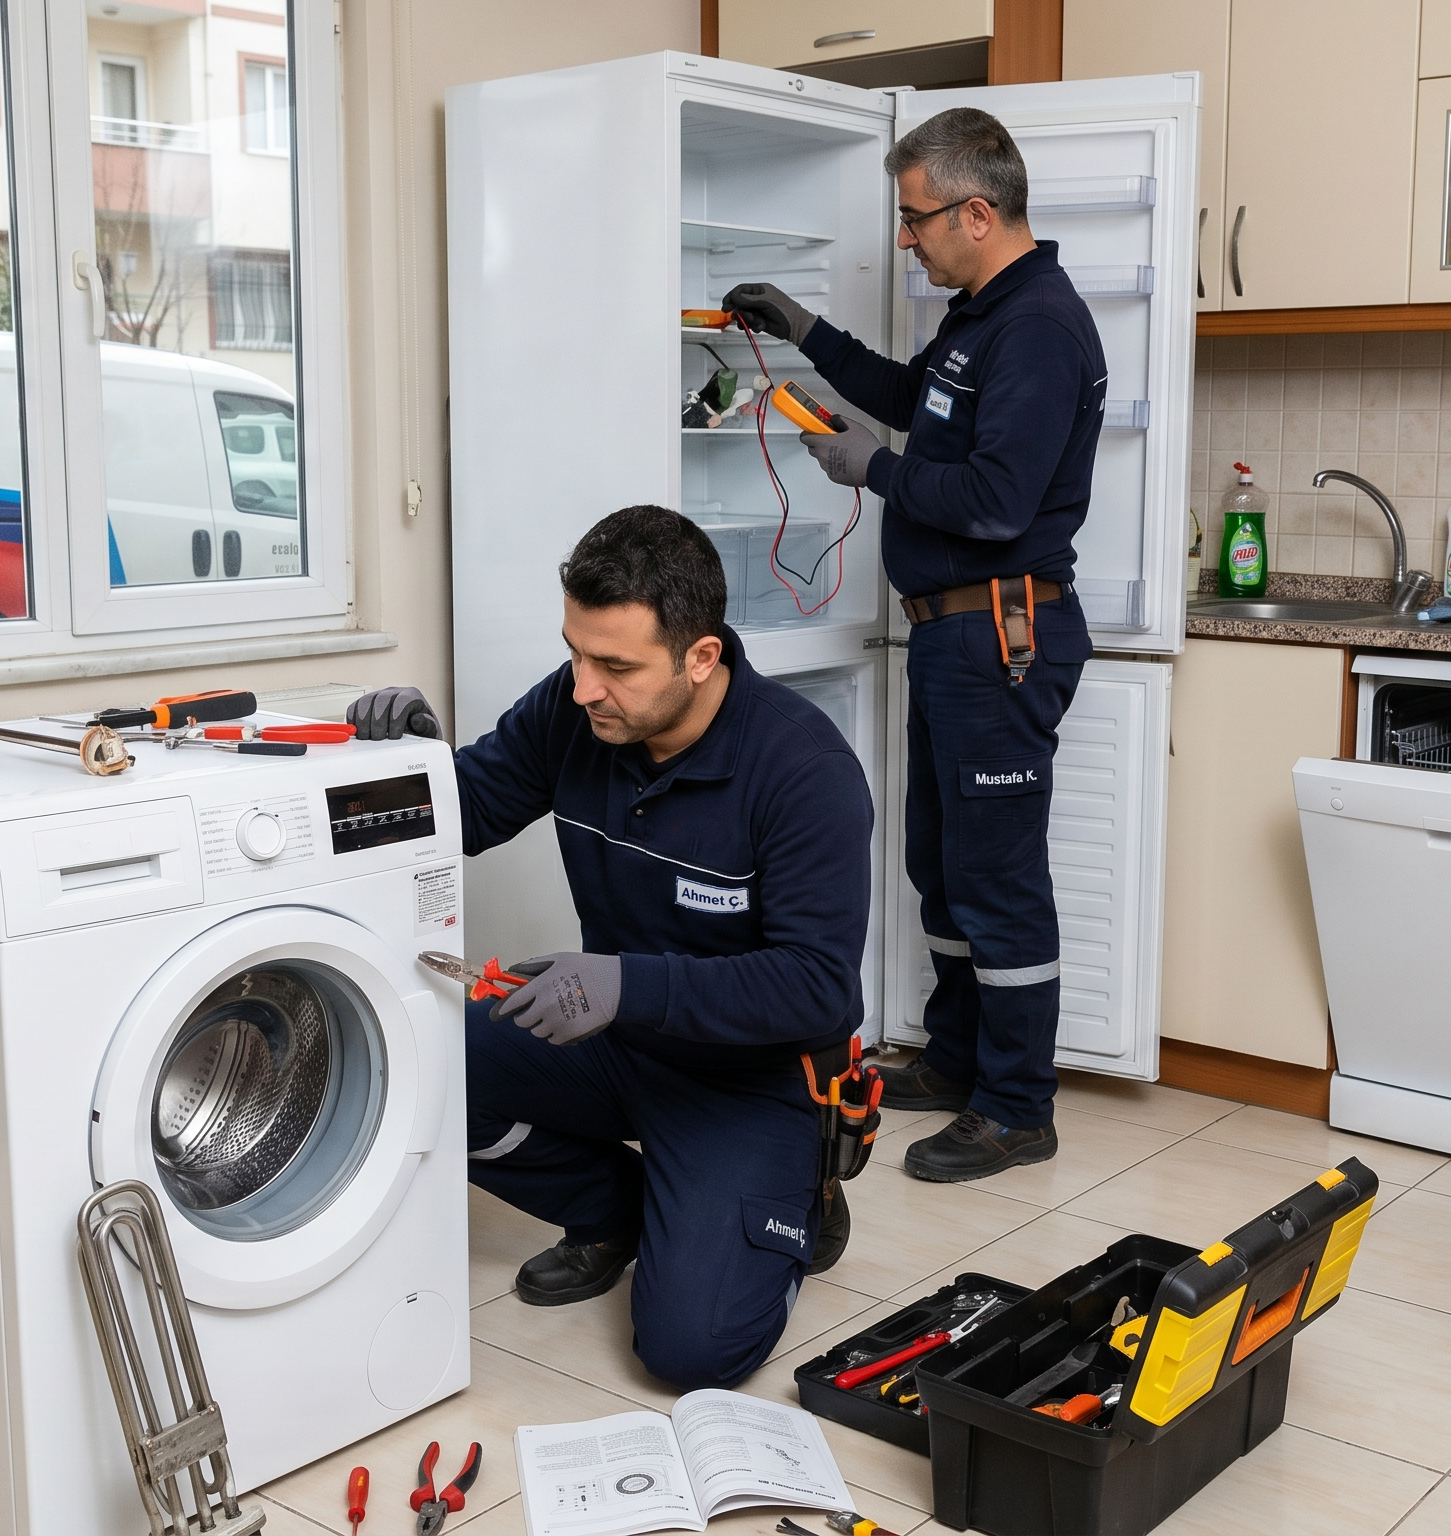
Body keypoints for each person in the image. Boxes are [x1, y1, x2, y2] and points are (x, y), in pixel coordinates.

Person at [348, 506, 875, 1389]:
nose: (585, 686)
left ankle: (798, 1196)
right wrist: (400, 769)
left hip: (747, 1082)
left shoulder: (801, 771)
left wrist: (627, 985)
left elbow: (820, 988)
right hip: (614, 1042)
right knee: (415, 1058)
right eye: (575, 654)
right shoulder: (575, 710)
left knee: (690, 1354)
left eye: (616, 666)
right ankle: (614, 1210)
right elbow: (462, 811)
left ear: (702, 657)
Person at [719, 106, 1107, 1183]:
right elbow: (910, 400)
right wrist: (804, 329)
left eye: (915, 219)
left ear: (976, 213)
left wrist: (869, 471)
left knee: (996, 878)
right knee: (939, 865)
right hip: (955, 637)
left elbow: (990, 501)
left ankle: (1019, 1107)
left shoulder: (1035, 327)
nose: (904, 238)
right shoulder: (983, 314)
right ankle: (962, 1056)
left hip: (1000, 631)